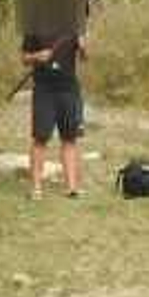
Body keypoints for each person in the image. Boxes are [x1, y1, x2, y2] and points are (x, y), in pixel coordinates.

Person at [20, 28, 87, 199]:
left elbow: (85, 58)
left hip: (69, 89)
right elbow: (24, 58)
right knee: (40, 138)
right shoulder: (35, 27)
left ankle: (72, 188)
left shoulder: (74, 27)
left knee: (70, 138)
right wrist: (37, 56)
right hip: (44, 90)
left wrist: (83, 46)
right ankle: (36, 188)